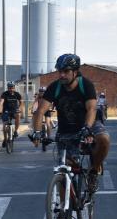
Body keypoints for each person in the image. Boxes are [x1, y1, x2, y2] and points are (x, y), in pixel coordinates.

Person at [31, 53, 110, 194]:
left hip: (89, 123)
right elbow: (40, 111)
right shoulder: (55, 87)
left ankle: (93, 171)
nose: (61, 75)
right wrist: (36, 132)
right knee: (64, 170)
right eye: (60, 71)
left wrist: (87, 128)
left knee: (104, 139)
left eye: (66, 71)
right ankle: (62, 212)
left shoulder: (85, 85)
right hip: (66, 129)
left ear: (75, 72)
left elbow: (91, 109)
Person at [0, 81, 23, 147]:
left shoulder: (17, 94)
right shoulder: (4, 94)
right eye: (9, 88)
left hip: (14, 111)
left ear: (14, 88)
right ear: (8, 88)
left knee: (18, 115)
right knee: (4, 127)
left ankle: (16, 131)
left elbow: (21, 102)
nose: (11, 89)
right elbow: (1, 102)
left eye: (12, 88)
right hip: (6, 111)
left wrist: (20, 108)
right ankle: (5, 139)